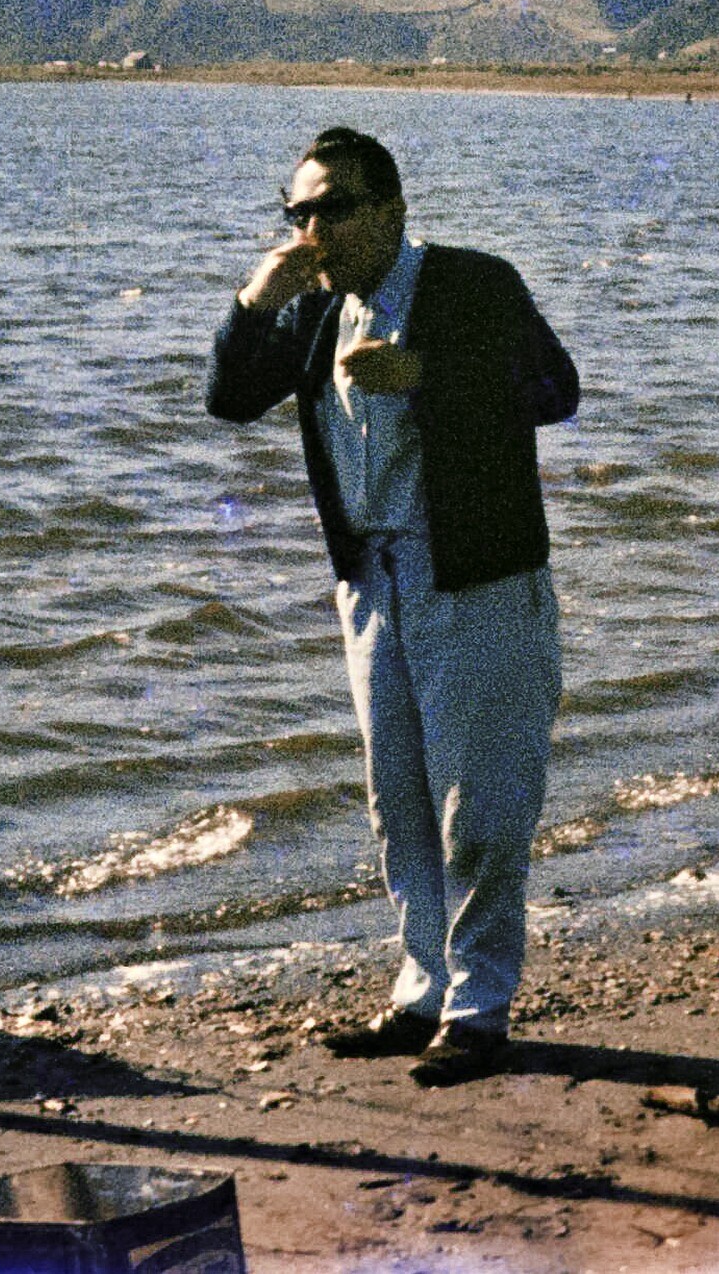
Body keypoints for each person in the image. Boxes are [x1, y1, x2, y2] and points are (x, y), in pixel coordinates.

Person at [206, 126, 578, 1086]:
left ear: (392, 210)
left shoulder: (472, 284)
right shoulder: (314, 309)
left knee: (480, 804)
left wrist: (428, 376)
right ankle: (422, 992)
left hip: (478, 577)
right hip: (371, 583)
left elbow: (554, 389)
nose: (312, 231)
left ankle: (479, 1007)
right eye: (297, 213)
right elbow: (227, 400)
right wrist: (253, 302)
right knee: (398, 798)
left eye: (331, 209)